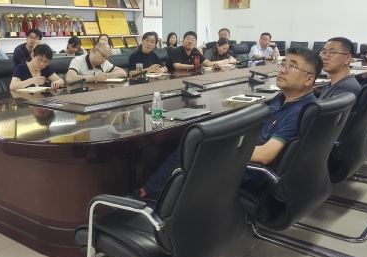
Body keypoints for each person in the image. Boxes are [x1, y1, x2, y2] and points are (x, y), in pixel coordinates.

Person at [137, 47, 322, 198]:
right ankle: (156, 195)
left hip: (249, 172)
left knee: (190, 147)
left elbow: (266, 155)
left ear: (309, 79)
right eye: (283, 64)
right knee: (194, 144)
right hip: (246, 160)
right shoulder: (283, 98)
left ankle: (149, 199)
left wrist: (223, 148)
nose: (283, 69)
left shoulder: (300, 111)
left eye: (292, 67)